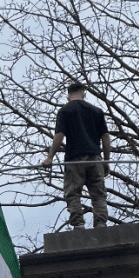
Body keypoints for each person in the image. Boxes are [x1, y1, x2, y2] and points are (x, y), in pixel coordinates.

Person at [41, 81, 111, 228]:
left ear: (68, 96)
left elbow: (59, 135)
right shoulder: (96, 111)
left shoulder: (65, 111)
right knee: (98, 194)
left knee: (73, 193)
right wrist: (106, 161)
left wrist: (50, 157)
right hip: (95, 158)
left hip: (74, 159)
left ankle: (78, 224)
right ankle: (101, 224)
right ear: (84, 93)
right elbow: (105, 137)